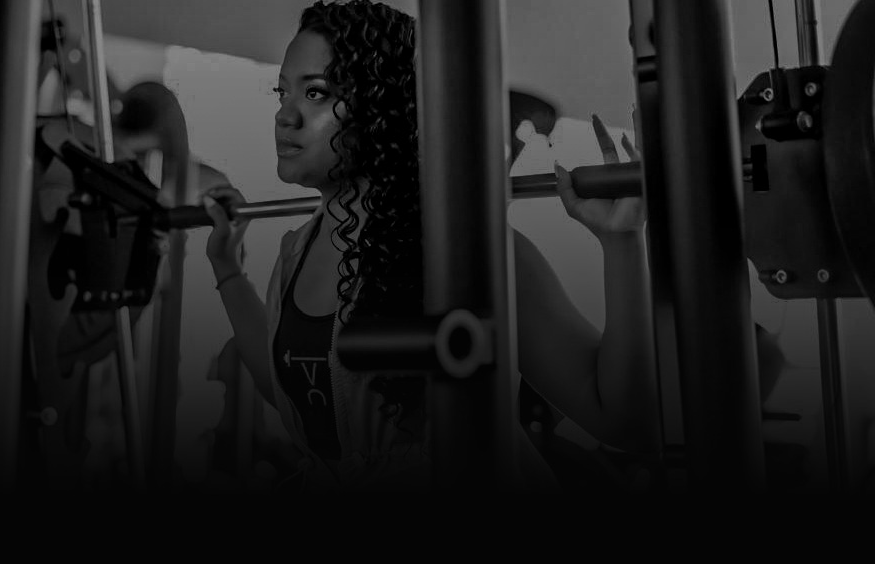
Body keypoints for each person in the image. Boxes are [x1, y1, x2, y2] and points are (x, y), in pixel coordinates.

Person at [203, 0, 655, 492]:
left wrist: (621, 242)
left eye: (316, 93)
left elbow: (619, 419)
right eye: (282, 92)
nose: (285, 116)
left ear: (383, 105)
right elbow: (305, 396)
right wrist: (227, 270)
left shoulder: (467, 255)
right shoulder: (295, 253)